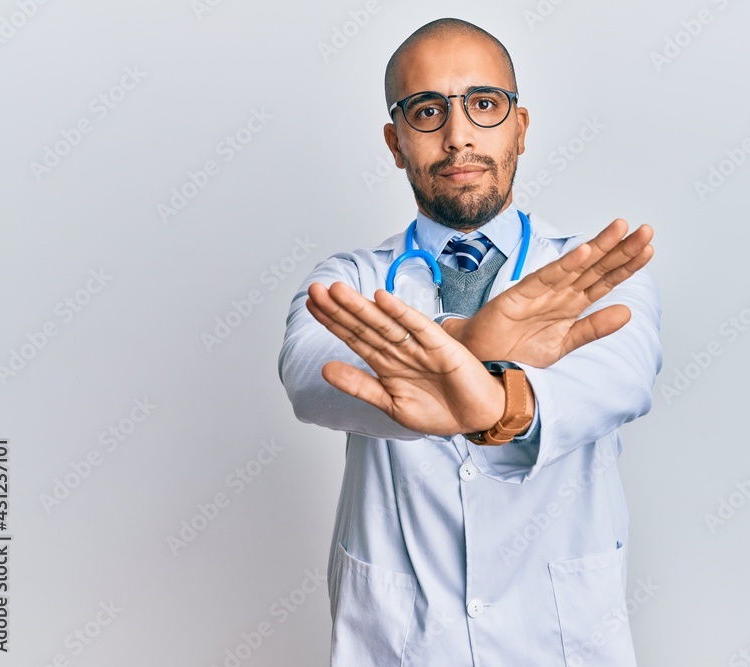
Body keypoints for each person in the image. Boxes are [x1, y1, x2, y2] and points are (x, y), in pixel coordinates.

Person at [278, 17, 662, 666]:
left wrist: (488, 395)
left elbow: (620, 382)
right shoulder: (349, 281)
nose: (458, 137)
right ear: (395, 142)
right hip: (401, 644)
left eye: (484, 105)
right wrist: (465, 342)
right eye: (426, 112)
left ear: (520, 126)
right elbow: (311, 376)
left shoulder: (595, 274)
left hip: (560, 642)